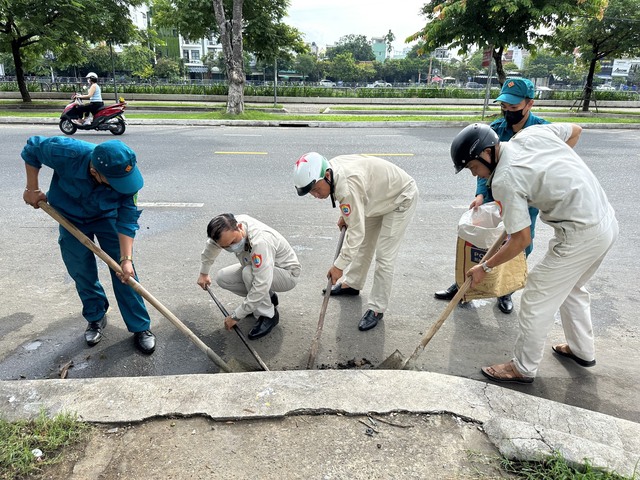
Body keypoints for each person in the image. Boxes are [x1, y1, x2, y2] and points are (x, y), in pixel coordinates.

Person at [451, 123, 618, 384]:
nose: (476, 176)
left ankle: (523, 367)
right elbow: (575, 130)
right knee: (572, 288)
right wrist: (550, 178)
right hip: (605, 221)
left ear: (486, 153)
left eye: (473, 167)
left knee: (535, 297)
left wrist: (484, 268)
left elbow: (520, 240)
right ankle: (582, 350)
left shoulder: (505, 179)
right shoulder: (531, 135)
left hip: (579, 234)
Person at [22, 137, 156, 354]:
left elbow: (127, 220)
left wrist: (126, 259)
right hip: (69, 217)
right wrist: (32, 188)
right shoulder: (66, 152)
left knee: (125, 273)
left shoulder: (127, 179)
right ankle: (95, 317)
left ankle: (140, 327)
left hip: (107, 217)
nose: (123, 185)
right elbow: (32, 148)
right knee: (80, 270)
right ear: (95, 171)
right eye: (115, 181)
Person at [434, 77, 550, 314]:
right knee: (478, 241)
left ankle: (505, 290)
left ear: (530, 104)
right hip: (493, 196)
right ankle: (464, 285)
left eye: (514, 108)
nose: (508, 112)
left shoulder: (542, 131)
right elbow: (481, 167)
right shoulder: (495, 130)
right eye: (504, 107)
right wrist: (480, 194)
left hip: (524, 201)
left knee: (517, 244)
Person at [293, 152, 418, 331]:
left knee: (384, 257)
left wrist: (338, 266)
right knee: (365, 244)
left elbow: (355, 231)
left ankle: (377, 308)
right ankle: (353, 284)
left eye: (315, 189)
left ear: (327, 176)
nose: (315, 195)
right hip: (377, 196)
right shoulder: (331, 170)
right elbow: (353, 200)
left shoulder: (346, 185)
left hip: (400, 197)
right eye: (310, 192)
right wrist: (347, 215)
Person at [197, 214, 301, 340]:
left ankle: (268, 316)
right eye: (225, 247)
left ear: (240, 227)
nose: (231, 247)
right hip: (260, 270)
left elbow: (261, 284)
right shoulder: (227, 228)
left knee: (249, 273)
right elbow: (211, 246)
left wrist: (236, 316)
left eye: (232, 242)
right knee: (222, 277)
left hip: (286, 274)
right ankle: (268, 298)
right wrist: (204, 273)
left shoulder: (260, 241)